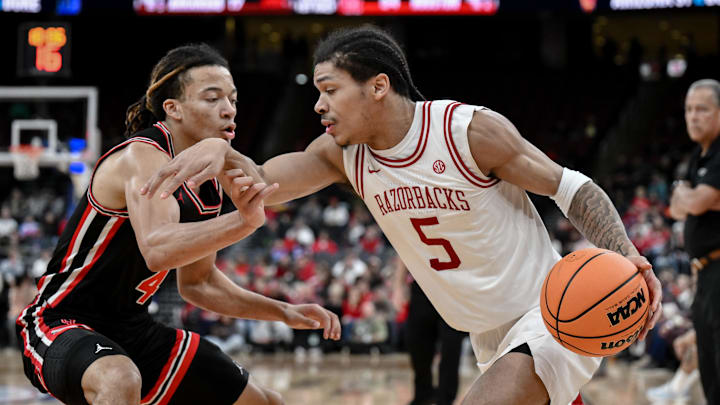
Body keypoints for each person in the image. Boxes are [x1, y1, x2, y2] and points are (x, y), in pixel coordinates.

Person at [142, 26, 662, 405]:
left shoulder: (467, 132)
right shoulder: (341, 155)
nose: (319, 106)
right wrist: (221, 152)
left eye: (329, 90)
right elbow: (259, 183)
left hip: (548, 313)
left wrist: (628, 255)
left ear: (378, 86)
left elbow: (574, 187)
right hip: (486, 334)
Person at [16, 44, 340, 405]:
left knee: (265, 402)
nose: (228, 109)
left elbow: (199, 283)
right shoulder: (142, 154)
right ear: (174, 109)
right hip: (60, 320)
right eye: (213, 98)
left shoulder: (209, 187)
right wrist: (243, 222)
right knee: (119, 378)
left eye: (232, 99)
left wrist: (283, 311)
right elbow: (158, 248)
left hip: (132, 329)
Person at [669, 78, 720, 405]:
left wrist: (692, 197)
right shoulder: (697, 156)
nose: (693, 116)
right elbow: (676, 207)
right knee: (710, 368)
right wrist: (695, 197)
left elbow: (697, 202)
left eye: (702, 109)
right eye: (689, 109)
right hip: (704, 272)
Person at [392, 257, 466, 405]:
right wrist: (398, 286)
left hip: (454, 288)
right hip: (421, 285)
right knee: (417, 344)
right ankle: (422, 394)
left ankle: (446, 399)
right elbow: (402, 250)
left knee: (450, 347)